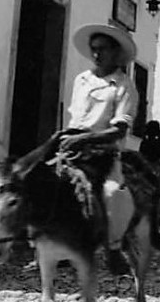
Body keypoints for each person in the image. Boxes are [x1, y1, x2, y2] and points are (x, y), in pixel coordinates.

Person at [57, 23, 139, 276]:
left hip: (103, 154)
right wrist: (66, 140)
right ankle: (48, 244)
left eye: (103, 49)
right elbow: (75, 118)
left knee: (112, 195)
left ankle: (113, 248)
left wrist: (85, 140)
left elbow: (119, 130)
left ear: (116, 53)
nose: (97, 55)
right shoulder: (81, 80)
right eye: (94, 49)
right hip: (72, 149)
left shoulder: (124, 86)